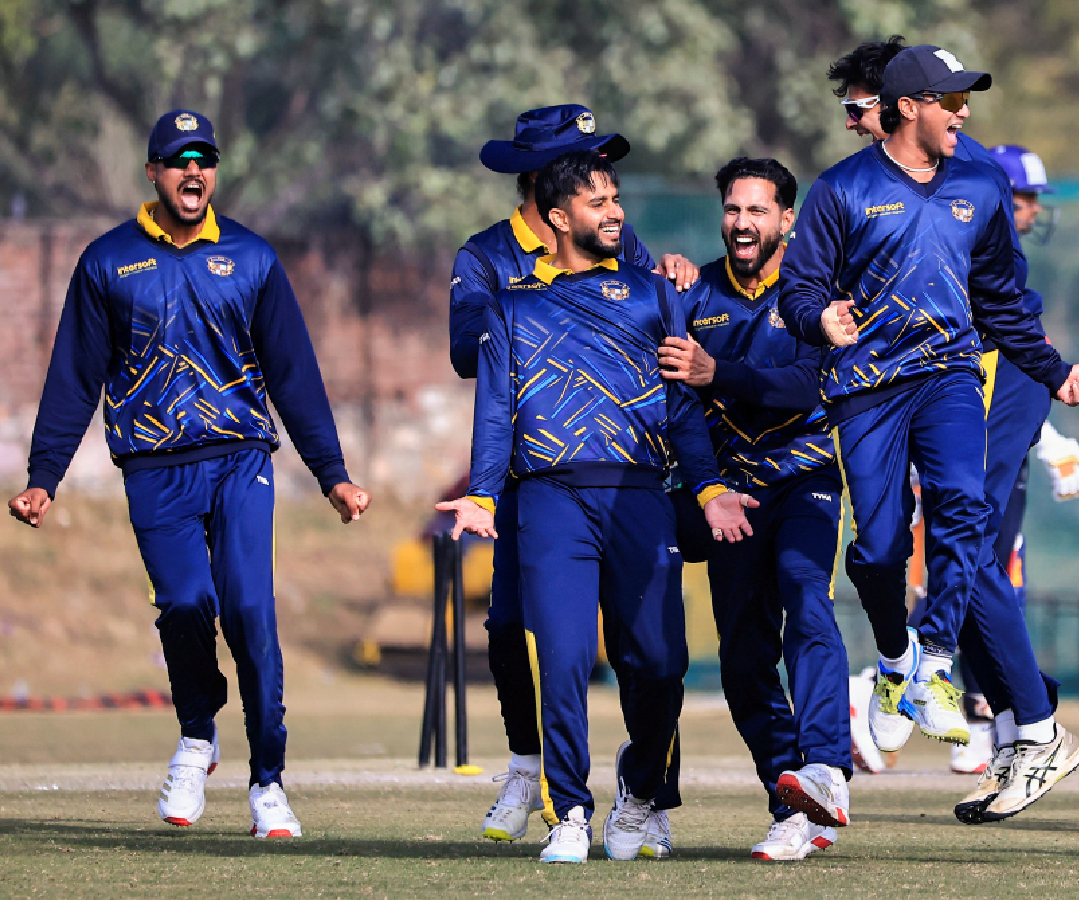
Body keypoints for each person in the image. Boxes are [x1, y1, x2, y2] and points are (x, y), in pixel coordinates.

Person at [8, 109, 369, 838]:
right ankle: (198, 736)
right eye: (178, 161)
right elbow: (73, 377)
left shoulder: (253, 258)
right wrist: (44, 475)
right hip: (152, 469)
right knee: (182, 604)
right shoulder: (108, 262)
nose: (193, 172)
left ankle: (268, 781)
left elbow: (294, 375)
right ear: (153, 173)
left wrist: (332, 473)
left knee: (250, 614)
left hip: (240, 461)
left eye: (204, 158)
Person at [783, 43, 1079, 823]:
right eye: (948, 99)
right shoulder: (841, 191)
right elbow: (798, 290)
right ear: (906, 107)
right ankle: (894, 658)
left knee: (966, 512)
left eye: (965, 98)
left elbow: (1002, 299)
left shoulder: (981, 187)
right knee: (882, 546)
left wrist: (1053, 370)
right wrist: (817, 317)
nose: (963, 112)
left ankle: (932, 658)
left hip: (951, 379)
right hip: (865, 390)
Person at [437, 150, 754, 864]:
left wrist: (706, 487)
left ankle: (639, 790)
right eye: (595, 201)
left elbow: (682, 406)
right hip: (549, 500)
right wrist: (484, 494)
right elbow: (493, 414)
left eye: (615, 198)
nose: (614, 211)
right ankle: (570, 813)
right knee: (565, 656)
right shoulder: (511, 308)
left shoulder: (652, 295)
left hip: (640, 496)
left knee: (661, 663)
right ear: (557, 218)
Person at [656, 157, 851, 861]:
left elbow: (806, 386)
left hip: (805, 484)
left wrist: (721, 374)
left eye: (758, 211)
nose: (743, 223)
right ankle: (790, 800)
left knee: (808, 599)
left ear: (787, 220)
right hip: (730, 496)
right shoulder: (693, 289)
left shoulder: (816, 291)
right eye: (733, 209)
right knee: (741, 659)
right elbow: (681, 403)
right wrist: (707, 491)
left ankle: (826, 765)